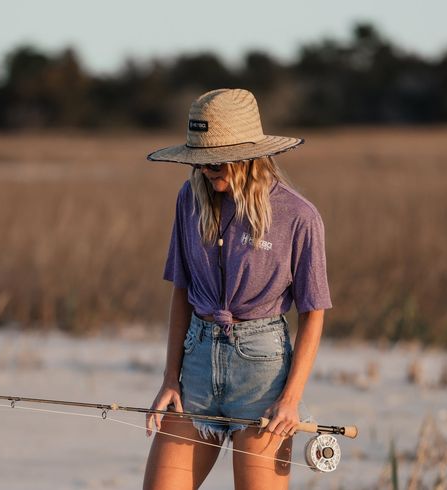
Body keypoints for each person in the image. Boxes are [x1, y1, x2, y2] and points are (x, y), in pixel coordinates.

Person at [142, 88, 333, 490]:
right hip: (195, 368)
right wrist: (169, 378)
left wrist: (291, 399)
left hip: (262, 375)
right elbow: (182, 290)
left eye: (218, 158)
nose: (208, 169)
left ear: (252, 153)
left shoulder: (299, 216)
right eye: (202, 160)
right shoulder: (189, 199)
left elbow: (314, 312)